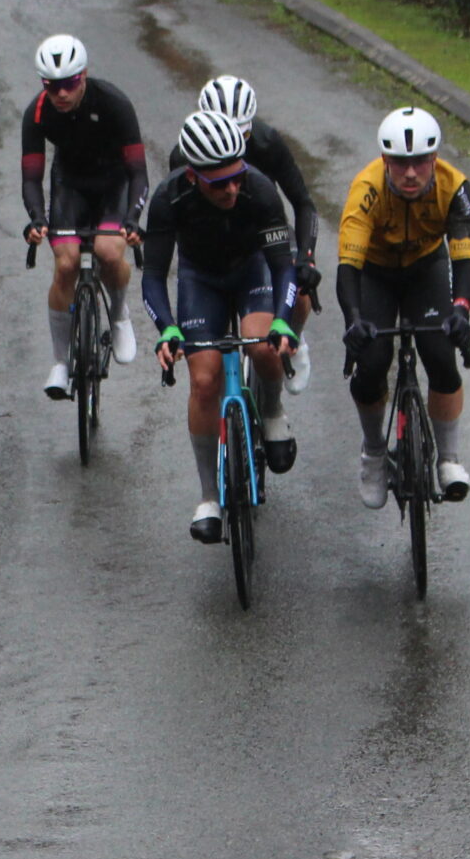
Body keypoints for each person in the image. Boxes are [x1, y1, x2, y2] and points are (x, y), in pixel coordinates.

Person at [138, 111, 303, 542]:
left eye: (236, 177)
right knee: (204, 380)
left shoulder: (260, 189)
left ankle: (272, 411)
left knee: (264, 346)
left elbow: (283, 267)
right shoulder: (169, 197)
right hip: (201, 279)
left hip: (252, 271)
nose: (232, 189)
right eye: (219, 183)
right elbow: (153, 276)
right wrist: (167, 328)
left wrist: (283, 321)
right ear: (193, 177)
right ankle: (209, 496)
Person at [337, 106, 470, 506]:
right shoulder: (365, 190)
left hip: (425, 268)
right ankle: (373, 452)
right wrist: (354, 321)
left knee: (441, 355)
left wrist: (461, 309)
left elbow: (465, 261)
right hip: (375, 273)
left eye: (420, 162)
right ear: (385, 160)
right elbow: (348, 269)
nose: (411, 173)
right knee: (372, 362)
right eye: (400, 163)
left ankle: (448, 458)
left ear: (435, 159)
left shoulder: (455, 188)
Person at [167, 76, 321, 393]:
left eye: (243, 134)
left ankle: (294, 335)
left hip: (264, 228)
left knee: (298, 283)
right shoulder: (183, 155)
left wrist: (307, 256)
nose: (234, 144)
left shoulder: (267, 142)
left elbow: (303, 203)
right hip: (214, 239)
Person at [20, 34, 146, 397]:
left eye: (70, 83)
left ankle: (119, 314)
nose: (61, 93)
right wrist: (36, 218)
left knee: (109, 252)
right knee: (66, 265)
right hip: (70, 186)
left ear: (84, 75)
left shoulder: (114, 103)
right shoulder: (37, 112)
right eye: (51, 86)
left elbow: (138, 171)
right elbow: (31, 177)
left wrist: (133, 218)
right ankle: (60, 363)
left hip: (113, 184)